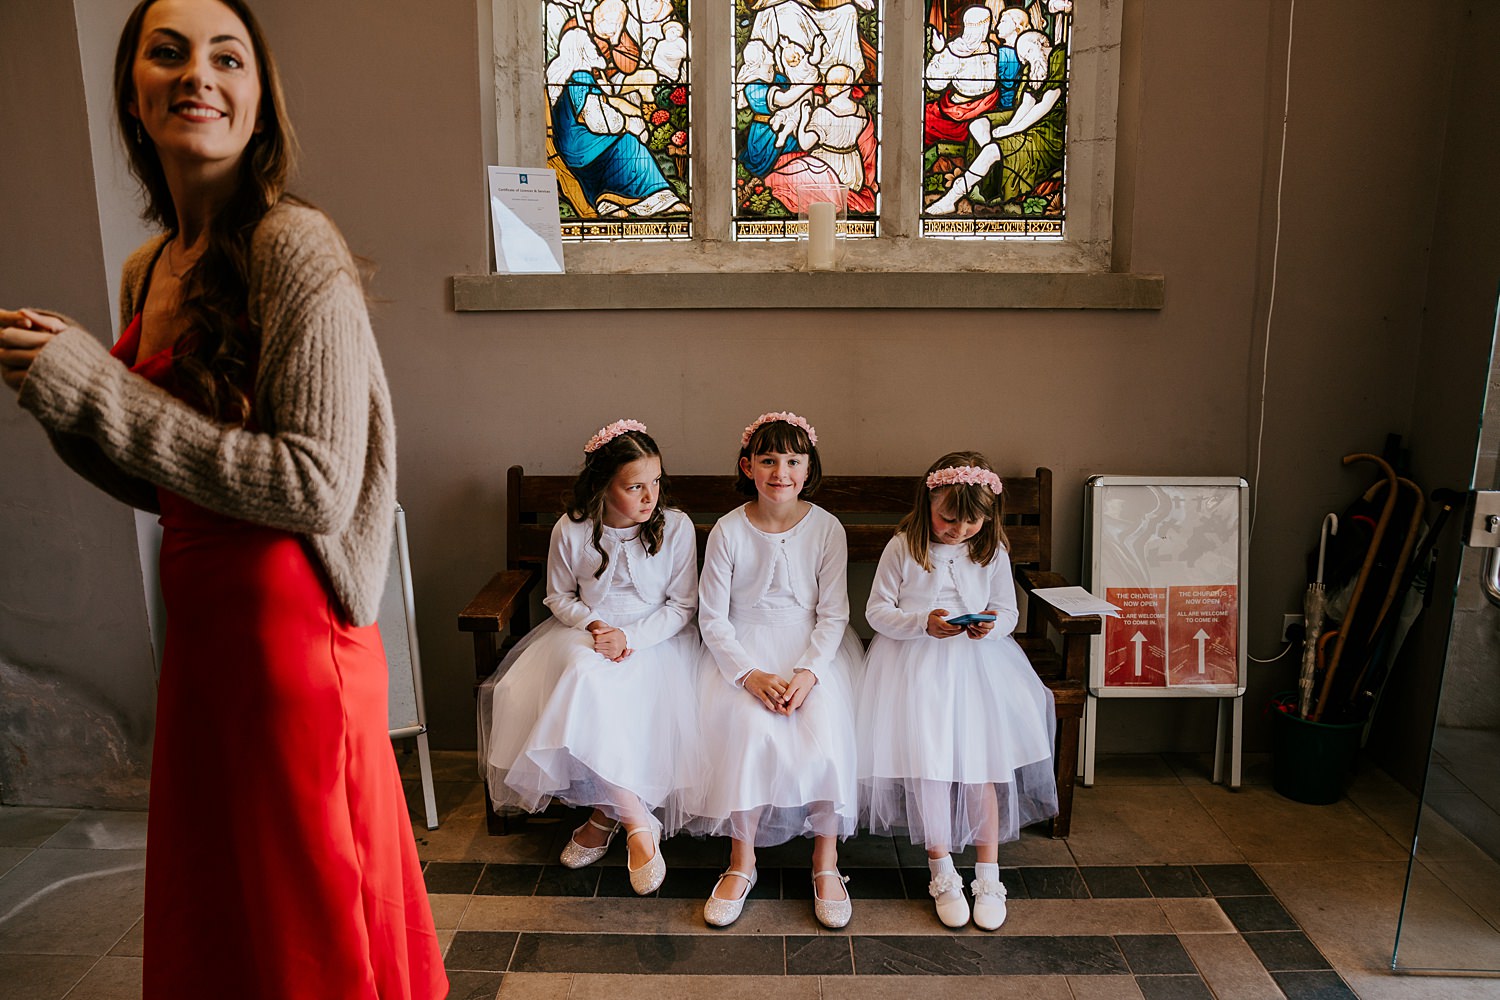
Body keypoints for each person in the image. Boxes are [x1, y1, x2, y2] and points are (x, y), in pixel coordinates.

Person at [0, 1, 446, 996]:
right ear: (133, 92)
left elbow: (313, 485)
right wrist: (62, 402)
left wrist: (94, 387)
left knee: (305, 929)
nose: (198, 73)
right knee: (229, 917)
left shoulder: (296, 246)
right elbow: (161, 479)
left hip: (295, 644)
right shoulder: (146, 266)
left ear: (257, 100)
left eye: (226, 56)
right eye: (169, 53)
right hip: (201, 636)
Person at [479, 419, 700, 894]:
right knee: (581, 674)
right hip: (589, 633)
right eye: (635, 486)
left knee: (632, 687)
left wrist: (631, 639)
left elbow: (682, 606)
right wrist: (595, 625)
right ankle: (639, 820)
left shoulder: (675, 527)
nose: (650, 497)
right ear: (603, 486)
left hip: (658, 636)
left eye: (656, 482)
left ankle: (605, 814)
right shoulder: (573, 528)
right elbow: (558, 596)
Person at [856, 453, 1057, 931]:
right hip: (915, 668)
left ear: (988, 518)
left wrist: (990, 627)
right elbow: (877, 611)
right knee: (930, 770)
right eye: (948, 518)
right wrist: (920, 623)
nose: (957, 530)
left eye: (971, 521)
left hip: (977, 670)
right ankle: (941, 869)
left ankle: (988, 874)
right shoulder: (903, 546)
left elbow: (1007, 610)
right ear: (928, 502)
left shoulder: (990, 550)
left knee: (979, 769)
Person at [685, 411, 864, 929]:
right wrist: (749, 675)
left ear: (808, 469)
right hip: (744, 652)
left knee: (825, 727)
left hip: (811, 651)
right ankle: (742, 863)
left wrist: (808, 674)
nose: (780, 471)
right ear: (748, 466)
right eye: (768, 460)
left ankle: (826, 863)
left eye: (792, 460)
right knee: (746, 728)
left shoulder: (826, 528)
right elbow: (713, 619)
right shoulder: (728, 529)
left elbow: (833, 614)